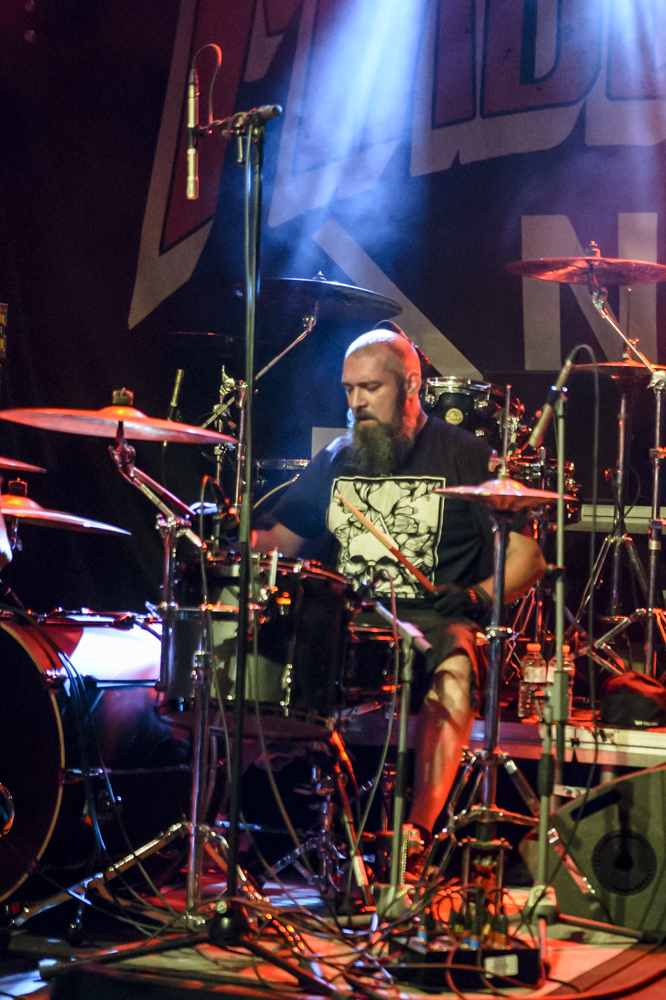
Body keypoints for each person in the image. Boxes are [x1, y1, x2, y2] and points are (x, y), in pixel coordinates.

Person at [253, 328, 545, 868]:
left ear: (411, 384)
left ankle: (417, 832)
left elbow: (528, 558)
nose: (356, 403)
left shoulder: (464, 454)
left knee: (455, 671)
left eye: (371, 388)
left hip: (431, 620)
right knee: (247, 659)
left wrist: (476, 596)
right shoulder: (336, 457)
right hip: (346, 619)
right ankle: (232, 826)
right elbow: (281, 544)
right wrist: (224, 538)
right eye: (348, 390)